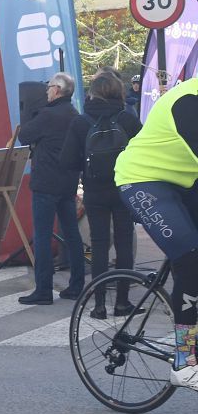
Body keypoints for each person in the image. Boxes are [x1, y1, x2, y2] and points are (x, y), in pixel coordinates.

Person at [115, 77, 198, 389]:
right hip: (143, 179)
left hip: (184, 181)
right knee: (191, 259)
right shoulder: (189, 102)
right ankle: (184, 359)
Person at [60, 72, 142, 318]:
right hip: (123, 188)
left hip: (95, 191)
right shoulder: (128, 118)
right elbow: (143, 153)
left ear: (93, 92)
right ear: (118, 92)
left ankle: (98, 305)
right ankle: (122, 303)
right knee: (124, 243)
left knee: (99, 244)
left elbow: (67, 161)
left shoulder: (81, 121)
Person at [17, 72, 86, 305]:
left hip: (46, 183)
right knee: (72, 235)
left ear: (57, 90)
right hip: (67, 183)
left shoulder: (47, 115)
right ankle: (76, 286)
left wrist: (27, 113)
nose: (46, 91)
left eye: (49, 88)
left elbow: (24, 135)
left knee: (43, 236)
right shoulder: (75, 115)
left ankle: (44, 289)